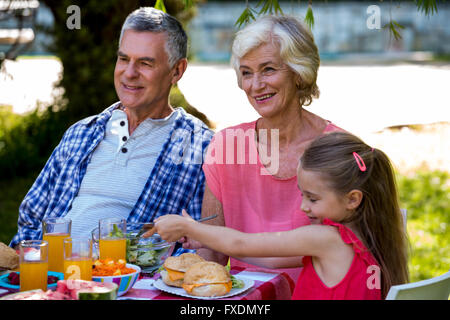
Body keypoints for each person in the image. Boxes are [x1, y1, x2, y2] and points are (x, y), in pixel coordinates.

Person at [9, 7, 213, 248]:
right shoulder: (80, 133)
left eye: (145, 63)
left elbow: (199, 246)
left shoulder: (201, 147)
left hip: (126, 281)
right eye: (123, 59)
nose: (129, 73)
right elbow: (31, 220)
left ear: (176, 71)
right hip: (51, 276)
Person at [148, 131, 410, 300]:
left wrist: (190, 227)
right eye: (302, 195)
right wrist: (208, 241)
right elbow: (271, 258)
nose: (303, 207)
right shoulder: (370, 236)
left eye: (313, 198)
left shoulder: (327, 238)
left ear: (353, 199)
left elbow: (242, 243)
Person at [182, 15, 343, 282]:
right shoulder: (225, 146)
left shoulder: (337, 150)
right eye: (246, 73)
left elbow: (351, 251)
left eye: (268, 69)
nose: (255, 86)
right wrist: (201, 242)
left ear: (298, 72)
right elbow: (214, 254)